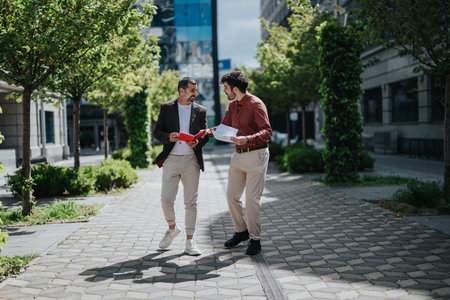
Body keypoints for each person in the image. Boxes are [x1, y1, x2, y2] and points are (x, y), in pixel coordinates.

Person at [211, 71, 272, 255]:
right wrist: (206, 131)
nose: (224, 91)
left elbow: (267, 132)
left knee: (251, 200)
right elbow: (224, 127)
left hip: (256, 155)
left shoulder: (256, 104)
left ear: (235, 89)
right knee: (231, 196)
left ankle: (255, 239)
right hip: (237, 156)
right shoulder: (232, 106)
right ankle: (241, 231)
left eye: (226, 88)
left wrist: (247, 139)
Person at [153, 77, 209, 256]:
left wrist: (197, 142)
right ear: (181, 91)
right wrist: (168, 137)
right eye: (192, 90)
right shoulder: (167, 108)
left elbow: (205, 134)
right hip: (172, 159)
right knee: (166, 199)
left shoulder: (201, 110)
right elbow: (157, 132)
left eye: (196, 90)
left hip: (191, 160)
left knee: (191, 202)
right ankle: (172, 229)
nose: (195, 93)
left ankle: (190, 241)